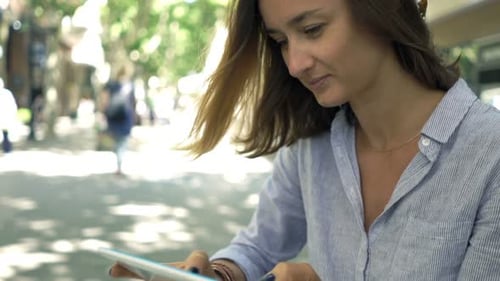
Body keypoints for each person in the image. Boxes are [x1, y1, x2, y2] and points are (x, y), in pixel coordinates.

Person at [110, 0, 500, 280]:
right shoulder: (311, 146)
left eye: (312, 29)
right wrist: (220, 274)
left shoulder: (490, 154)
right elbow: (259, 248)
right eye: (280, 40)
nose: (295, 64)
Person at [102, 66, 136, 175]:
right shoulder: (130, 85)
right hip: (126, 117)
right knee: (123, 141)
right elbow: (133, 103)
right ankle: (119, 164)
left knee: (117, 140)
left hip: (113, 115)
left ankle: (118, 161)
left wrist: (104, 112)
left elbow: (105, 100)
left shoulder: (111, 85)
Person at [0, 79, 18, 154]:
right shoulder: (7, 93)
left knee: (6, 134)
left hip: (5, 116)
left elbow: (12, 105)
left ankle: (7, 149)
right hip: (4, 116)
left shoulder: (7, 93)